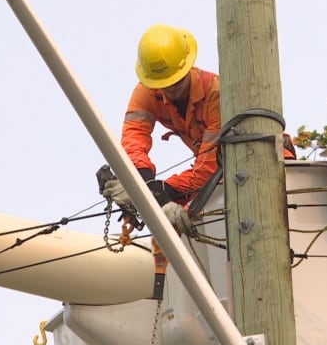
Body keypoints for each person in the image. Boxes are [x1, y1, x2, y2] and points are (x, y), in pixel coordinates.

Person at [103, 24, 296, 232]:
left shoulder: (215, 94)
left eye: (176, 82)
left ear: (187, 68)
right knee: (180, 227)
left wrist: (161, 191)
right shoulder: (147, 93)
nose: (170, 89)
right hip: (224, 177)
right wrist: (144, 185)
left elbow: (208, 169)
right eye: (163, 84)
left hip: (268, 166)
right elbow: (133, 143)